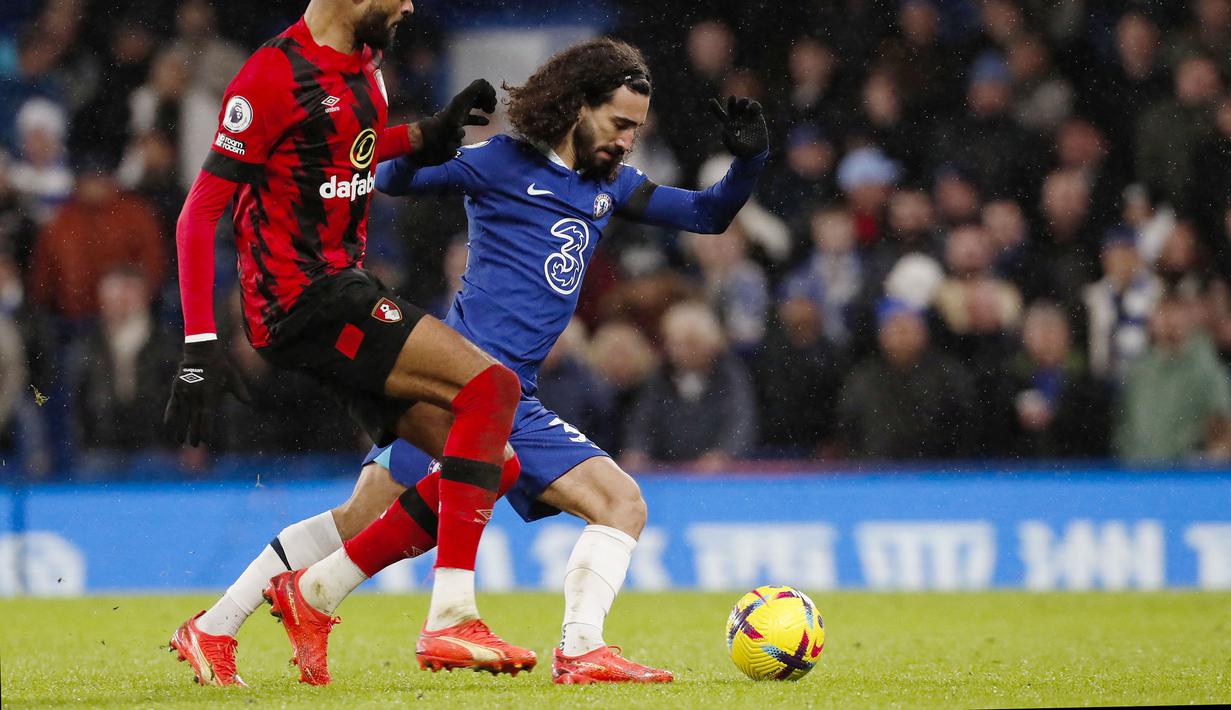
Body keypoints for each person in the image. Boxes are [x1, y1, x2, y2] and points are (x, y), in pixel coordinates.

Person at [241, 38, 767, 686]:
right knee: (359, 519)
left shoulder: (609, 186)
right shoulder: (499, 162)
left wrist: (749, 161)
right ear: (577, 108)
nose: (629, 140)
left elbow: (707, 213)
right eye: (619, 124)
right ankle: (225, 622)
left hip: (515, 399)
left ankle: (580, 649)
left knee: (621, 505)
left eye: (637, 128)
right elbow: (391, 178)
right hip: (451, 389)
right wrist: (427, 143)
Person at [166, 0, 531, 687]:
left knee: (491, 463)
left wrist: (425, 134)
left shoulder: (367, 67)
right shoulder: (269, 77)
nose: (408, 5)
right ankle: (451, 616)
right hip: (303, 297)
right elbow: (198, 215)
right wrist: (198, 348)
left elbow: (345, 150)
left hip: (338, 288)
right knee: (493, 388)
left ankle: (250, 615)